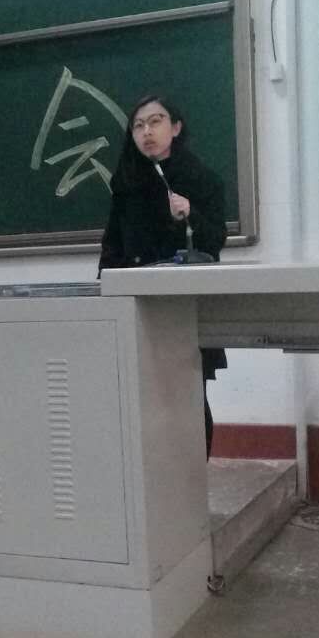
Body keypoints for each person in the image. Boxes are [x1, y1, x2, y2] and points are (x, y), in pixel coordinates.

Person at [99, 95, 228, 457]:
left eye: (155, 121)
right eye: (138, 125)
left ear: (176, 127)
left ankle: (192, 476)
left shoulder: (202, 179)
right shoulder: (126, 183)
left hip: (185, 304)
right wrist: (105, 291)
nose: (147, 132)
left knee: (190, 395)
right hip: (137, 305)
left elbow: (214, 241)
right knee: (139, 399)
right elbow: (112, 245)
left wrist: (190, 214)